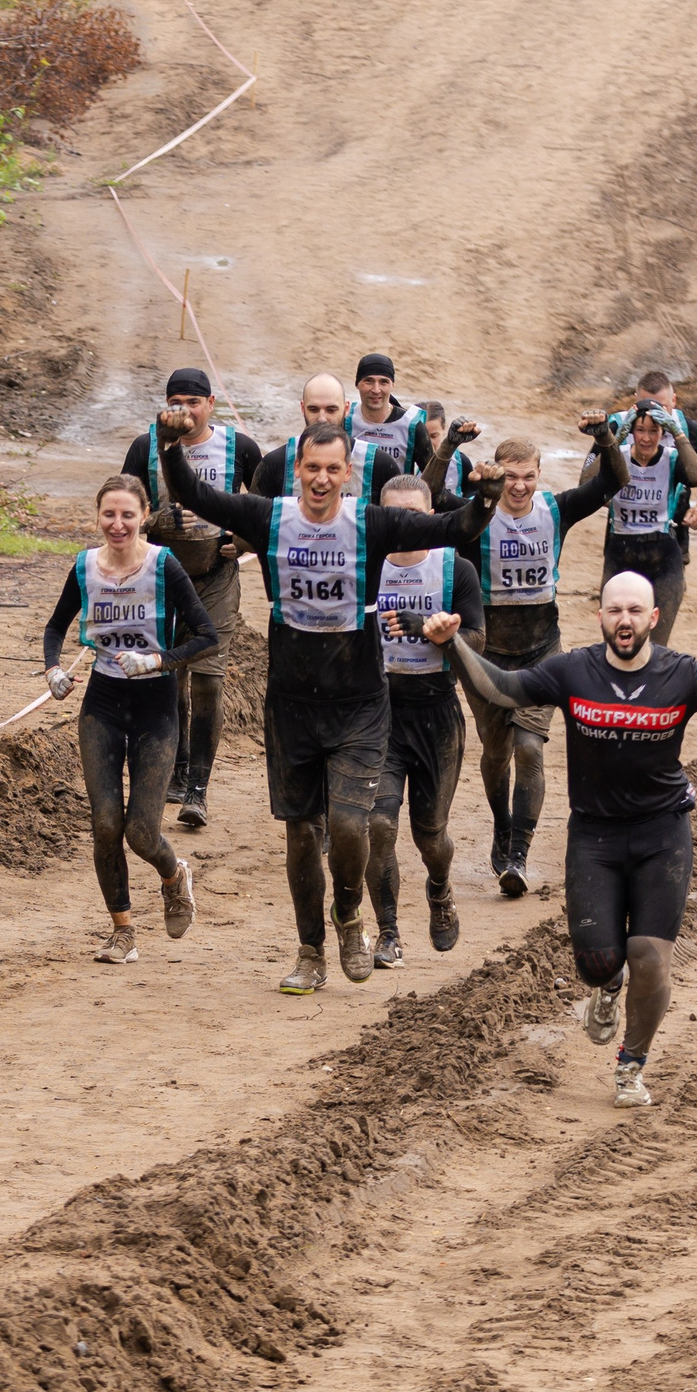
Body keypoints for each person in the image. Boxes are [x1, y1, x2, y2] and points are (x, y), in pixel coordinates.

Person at [426, 577, 697, 1106]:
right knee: (596, 963)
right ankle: (606, 987)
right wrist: (452, 643)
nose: (625, 620)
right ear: (599, 616)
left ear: (654, 617)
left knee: (649, 955)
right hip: (593, 836)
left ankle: (631, 1064)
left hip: (662, 834)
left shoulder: (682, 674)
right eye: (615, 610)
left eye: (635, 611)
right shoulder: (572, 670)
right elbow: (502, 688)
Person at [159, 413, 501, 991]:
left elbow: (456, 526)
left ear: (348, 474)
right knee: (300, 834)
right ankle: (310, 952)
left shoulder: (372, 524)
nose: (321, 479)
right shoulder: (269, 519)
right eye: (311, 468)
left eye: (331, 470)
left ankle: (348, 917)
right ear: (297, 471)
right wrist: (169, 444)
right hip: (291, 706)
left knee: (348, 826)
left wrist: (487, 498)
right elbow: (194, 492)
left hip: (362, 705)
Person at [440, 420, 630, 895]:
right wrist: (448, 447)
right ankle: (502, 829)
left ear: (540, 475)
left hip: (543, 651)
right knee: (495, 752)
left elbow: (614, 481)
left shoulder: (555, 509)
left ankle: (518, 854)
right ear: (496, 475)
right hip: (486, 656)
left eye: (528, 476)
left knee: (529, 747)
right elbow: (426, 497)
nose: (519, 486)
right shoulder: (474, 514)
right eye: (510, 476)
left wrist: (606, 438)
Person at [44, 475, 219, 962]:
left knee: (141, 832)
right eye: (108, 515)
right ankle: (122, 932)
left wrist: (159, 660)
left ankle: (173, 874)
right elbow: (57, 625)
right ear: (97, 516)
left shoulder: (164, 566)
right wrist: (53, 670)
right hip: (101, 703)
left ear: (144, 517)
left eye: (127, 515)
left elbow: (207, 636)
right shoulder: (85, 566)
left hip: (155, 706)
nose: (117, 524)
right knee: (105, 825)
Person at [118, 367, 261, 827]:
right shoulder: (146, 448)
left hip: (216, 577)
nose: (185, 411)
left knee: (208, 679)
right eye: (176, 402)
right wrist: (158, 523)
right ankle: (176, 773)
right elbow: (124, 511)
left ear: (211, 404)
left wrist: (240, 541)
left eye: (194, 402)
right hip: (161, 579)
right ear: (165, 407)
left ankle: (198, 787)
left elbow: (268, 511)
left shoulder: (240, 448)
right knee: (168, 678)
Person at [367, 473, 483, 966]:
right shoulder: (365, 566)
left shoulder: (454, 569)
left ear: (432, 516)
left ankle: (439, 888)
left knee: (429, 833)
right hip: (378, 716)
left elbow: (478, 643)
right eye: (396, 515)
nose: (406, 524)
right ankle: (388, 932)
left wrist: (441, 635)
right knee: (377, 825)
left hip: (437, 714)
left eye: (416, 515)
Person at [588, 400, 697, 647]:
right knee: (616, 640)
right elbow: (586, 483)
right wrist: (614, 439)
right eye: (640, 430)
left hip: (663, 555)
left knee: (657, 645)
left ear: (662, 433)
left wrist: (678, 433)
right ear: (631, 431)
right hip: (621, 551)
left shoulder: (672, 458)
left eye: (653, 431)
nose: (645, 438)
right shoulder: (618, 456)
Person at [254, 373, 390, 502]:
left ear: (346, 408)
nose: (322, 419)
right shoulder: (276, 463)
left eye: (331, 410)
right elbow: (255, 520)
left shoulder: (378, 465)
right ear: (302, 408)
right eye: (313, 409)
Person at [345, 353, 435, 487]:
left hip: (396, 505)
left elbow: (433, 481)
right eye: (368, 381)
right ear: (357, 384)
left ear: (392, 385)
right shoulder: (345, 418)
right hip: (354, 504)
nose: (376, 390)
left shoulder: (412, 426)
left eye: (383, 382)